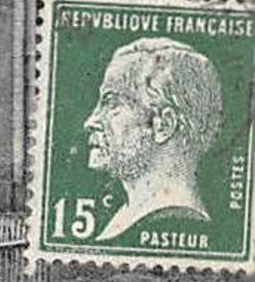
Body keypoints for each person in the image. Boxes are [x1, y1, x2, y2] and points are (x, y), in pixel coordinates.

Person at [83, 39, 223, 240]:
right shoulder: (126, 218)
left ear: (163, 125)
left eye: (112, 103)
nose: (90, 122)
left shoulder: (178, 223)